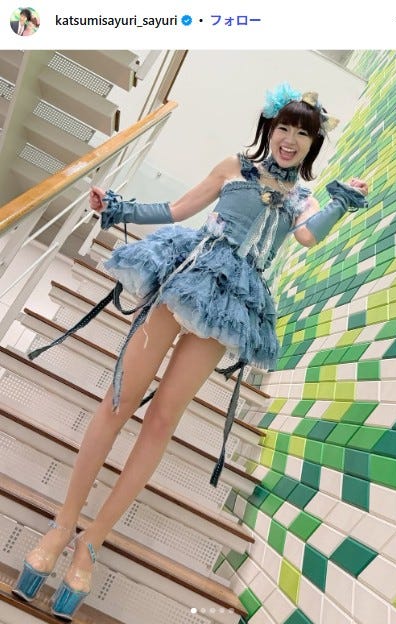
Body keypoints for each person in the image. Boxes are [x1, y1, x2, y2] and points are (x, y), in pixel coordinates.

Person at [13, 82, 368, 618]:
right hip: (188, 274)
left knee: (161, 422)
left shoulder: (304, 199)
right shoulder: (232, 167)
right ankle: (62, 525)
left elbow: (307, 236)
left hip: (232, 304)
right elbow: (177, 208)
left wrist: (339, 203)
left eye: (303, 133)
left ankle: (92, 542)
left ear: (312, 144)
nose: (290, 139)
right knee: (118, 401)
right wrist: (119, 208)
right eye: (284, 127)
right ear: (269, 128)